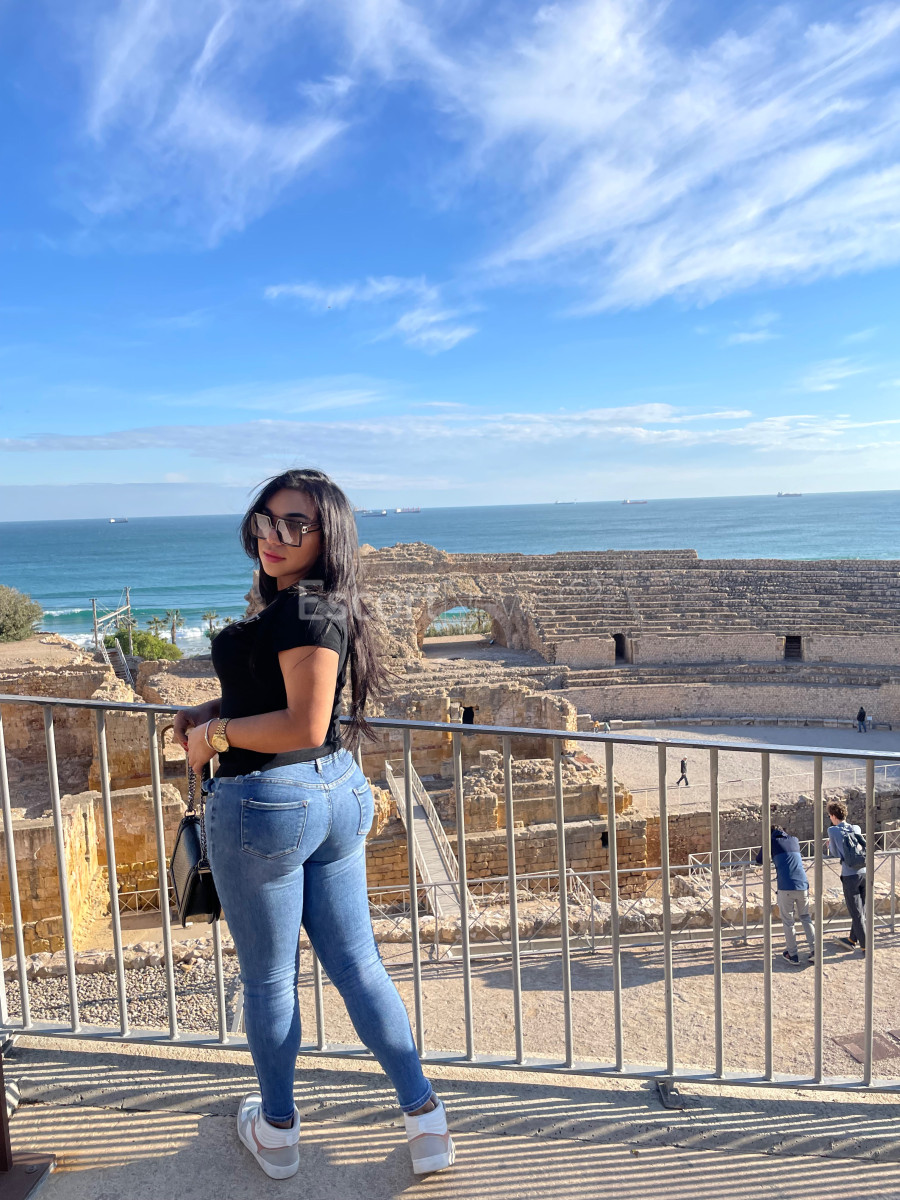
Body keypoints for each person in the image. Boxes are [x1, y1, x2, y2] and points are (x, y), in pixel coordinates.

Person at [175, 469, 454, 1181]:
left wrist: (215, 738)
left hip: (269, 805)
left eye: (295, 524)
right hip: (333, 791)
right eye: (266, 519)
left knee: (270, 981)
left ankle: (276, 1132)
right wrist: (217, 710)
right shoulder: (312, 604)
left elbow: (302, 722)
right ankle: (426, 1121)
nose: (274, 535)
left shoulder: (305, 609)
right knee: (358, 966)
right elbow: (288, 697)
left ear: (327, 536)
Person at [756, 825, 815, 965]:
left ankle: (792, 954)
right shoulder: (794, 840)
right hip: (802, 885)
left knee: (788, 921)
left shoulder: (771, 841)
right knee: (805, 917)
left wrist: (767, 844)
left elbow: (759, 860)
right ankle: (815, 951)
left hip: (786, 887)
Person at [825, 799, 867, 954]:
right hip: (864, 872)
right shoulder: (856, 828)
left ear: (833, 816)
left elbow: (836, 853)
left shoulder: (832, 831)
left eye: (830, 816)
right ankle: (851, 939)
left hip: (850, 875)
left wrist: (829, 845)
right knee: (861, 910)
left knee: (856, 913)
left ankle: (866, 946)